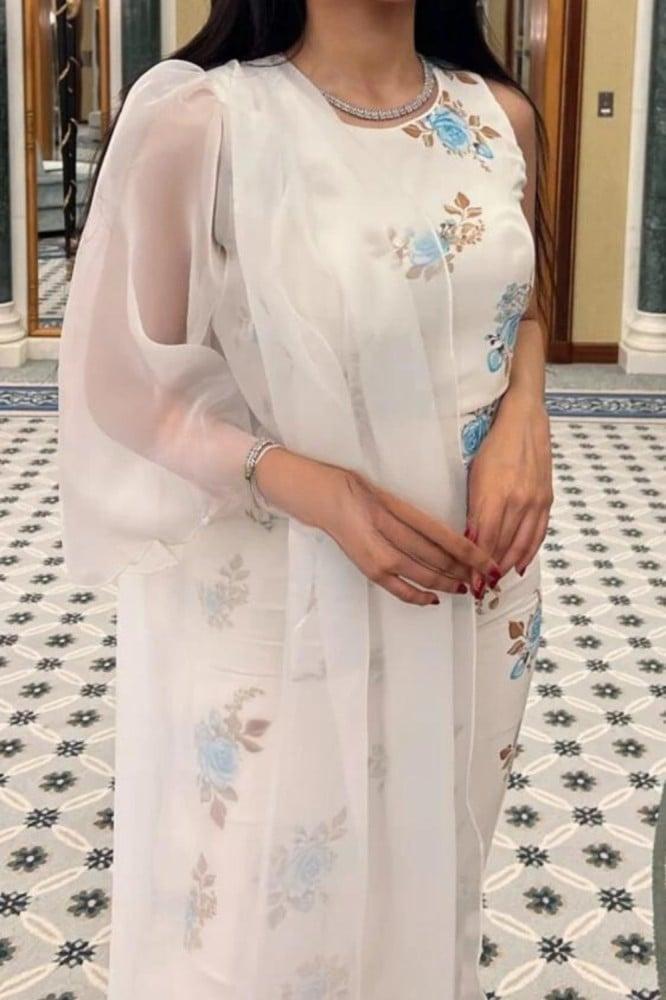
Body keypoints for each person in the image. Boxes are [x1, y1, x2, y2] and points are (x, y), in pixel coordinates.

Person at [57, 1, 554, 996]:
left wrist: (526, 414)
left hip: (475, 594)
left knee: (429, 880)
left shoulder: (500, 115)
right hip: (286, 594)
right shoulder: (204, 124)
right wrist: (312, 486)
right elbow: (123, 381)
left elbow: (524, 303)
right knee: (267, 911)